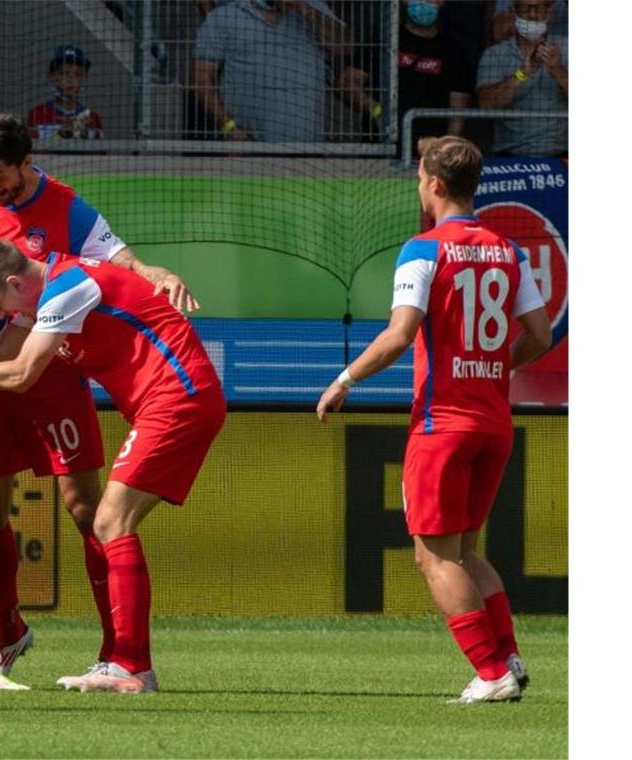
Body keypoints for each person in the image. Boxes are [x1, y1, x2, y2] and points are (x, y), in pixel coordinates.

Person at [0, 113, 199, 677]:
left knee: (86, 509)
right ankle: (10, 627)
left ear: (27, 163)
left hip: (51, 382)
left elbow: (123, 260)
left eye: (3, 178)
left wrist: (152, 270)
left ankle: (115, 649)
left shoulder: (68, 208)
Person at [0, 241, 227, 693]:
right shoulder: (56, 287)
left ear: (15, 284)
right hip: (171, 400)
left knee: (110, 521)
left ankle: (132, 667)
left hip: (177, 398)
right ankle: (125, 663)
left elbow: (18, 376)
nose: (0, 314)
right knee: (112, 524)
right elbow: (5, 362)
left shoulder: (66, 291)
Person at [316, 136, 552, 703]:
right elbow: (541, 336)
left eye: (419, 176)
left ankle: (491, 672)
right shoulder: (508, 251)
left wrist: (344, 380)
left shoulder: (423, 249)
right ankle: (508, 662)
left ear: (435, 185)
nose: (418, 185)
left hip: (442, 424)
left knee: (434, 555)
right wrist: (492, 368)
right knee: (467, 550)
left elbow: (399, 335)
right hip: (493, 420)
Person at [191, 0, 348, 142]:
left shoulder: (314, 7)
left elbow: (345, 46)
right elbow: (201, 80)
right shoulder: (226, 16)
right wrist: (229, 126)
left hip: (307, 147)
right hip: (248, 146)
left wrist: (305, 9)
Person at [340, 0, 476, 148]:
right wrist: (376, 110)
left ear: (442, 2)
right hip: (381, 150)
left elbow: (457, 116)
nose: (424, 2)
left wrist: (444, 153)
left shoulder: (455, 53)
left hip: (428, 156)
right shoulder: (384, 41)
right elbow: (347, 82)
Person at [476, 0, 567, 157]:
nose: (532, 15)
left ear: (549, 12)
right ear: (514, 12)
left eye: (539, 8)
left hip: (561, 155)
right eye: (525, 9)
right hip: (510, 156)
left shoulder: (568, 48)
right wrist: (523, 73)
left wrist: (557, 70)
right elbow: (486, 104)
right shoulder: (495, 54)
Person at [26, 45, 103, 140]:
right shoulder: (37, 113)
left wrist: (87, 134)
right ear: (52, 76)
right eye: (64, 73)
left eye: (77, 74)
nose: (70, 79)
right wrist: (60, 135)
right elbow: (34, 151)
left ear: (85, 77)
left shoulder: (92, 117)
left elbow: (99, 153)